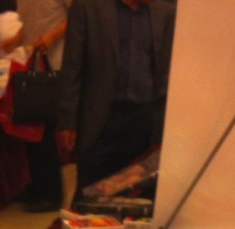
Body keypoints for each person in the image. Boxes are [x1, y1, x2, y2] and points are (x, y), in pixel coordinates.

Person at [56, 0, 175, 209]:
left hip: (144, 124)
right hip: (101, 121)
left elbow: (167, 72)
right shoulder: (87, 7)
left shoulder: (164, 11)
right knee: (90, 199)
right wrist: (67, 120)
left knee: (139, 203)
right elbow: (72, 67)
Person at [0, 0, 72, 212]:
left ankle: (50, 194)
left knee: (46, 131)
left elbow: (78, 18)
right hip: (34, 64)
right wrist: (16, 39)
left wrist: (52, 35)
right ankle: (35, 187)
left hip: (56, 66)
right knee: (30, 128)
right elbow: (32, 23)